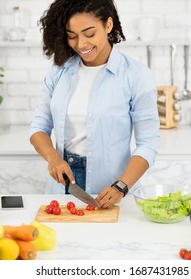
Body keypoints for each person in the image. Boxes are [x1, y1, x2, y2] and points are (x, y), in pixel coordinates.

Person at [29, 0, 159, 209]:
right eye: (72, 36)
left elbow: (148, 144)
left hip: (113, 191)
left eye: (89, 34)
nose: (80, 44)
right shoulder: (59, 71)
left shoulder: (135, 75)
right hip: (62, 188)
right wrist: (53, 158)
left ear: (108, 25)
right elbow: (38, 127)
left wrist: (121, 186)